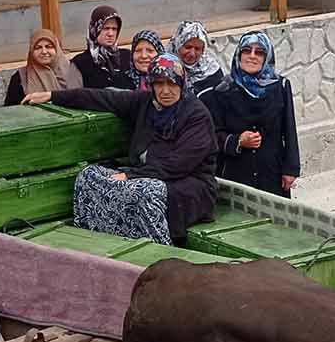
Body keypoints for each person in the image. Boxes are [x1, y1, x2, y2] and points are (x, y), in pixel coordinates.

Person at [24, 56, 217, 245]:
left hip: (188, 185)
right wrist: (53, 96)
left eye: (172, 84)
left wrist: (131, 175)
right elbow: (103, 98)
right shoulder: (145, 103)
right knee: (88, 176)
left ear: (181, 84)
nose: (165, 90)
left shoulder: (196, 115)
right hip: (143, 175)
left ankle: (158, 248)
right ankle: (99, 241)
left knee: (146, 192)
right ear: (151, 84)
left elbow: (180, 164)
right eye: (159, 84)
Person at [207, 31, 300, 196]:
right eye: (246, 50)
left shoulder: (281, 86)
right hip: (236, 173)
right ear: (239, 54)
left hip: (272, 173)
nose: (252, 56)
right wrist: (238, 141)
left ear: (267, 57)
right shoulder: (223, 89)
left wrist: (290, 169)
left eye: (259, 52)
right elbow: (213, 135)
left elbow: (289, 130)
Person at [3, 27, 81, 106]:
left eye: (49, 46)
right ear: (31, 52)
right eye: (38, 48)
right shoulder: (21, 77)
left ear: (57, 49)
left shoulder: (73, 70)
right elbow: (10, 110)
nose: (44, 52)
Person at [70, 5, 128, 90]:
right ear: (94, 29)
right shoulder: (80, 63)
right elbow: (73, 96)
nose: (110, 34)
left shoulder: (127, 57)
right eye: (105, 28)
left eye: (114, 29)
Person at [172, 20, 227, 100]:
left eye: (197, 49)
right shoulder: (165, 68)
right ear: (178, 44)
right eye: (188, 47)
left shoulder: (212, 71)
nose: (192, 54)